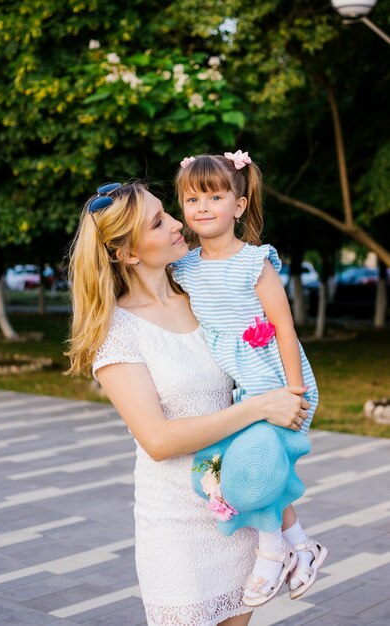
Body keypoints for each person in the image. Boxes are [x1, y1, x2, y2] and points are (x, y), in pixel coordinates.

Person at [65, 180, 311, 626]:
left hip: (234, 509)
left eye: (167, 211)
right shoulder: (117, 333)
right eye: (160, 222)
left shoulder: (203, 297)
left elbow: (261, 355)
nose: (180, 222)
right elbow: (158, 440)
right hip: (175, 524)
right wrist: (260, 408)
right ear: (130, 253)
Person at [173, 152, 328, 607]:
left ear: (238, 206)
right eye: (192, 198)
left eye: (215, 196)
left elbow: (283, 326)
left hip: (278, 381)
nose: (202, 207)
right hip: (243, 389)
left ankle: (272, 551)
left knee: (251, 470)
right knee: (234, 469)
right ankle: (302, 546)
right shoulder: (184, 268)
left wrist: (294, 392)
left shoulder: (253, 262)